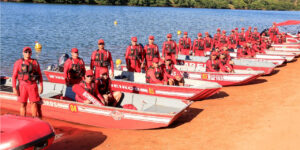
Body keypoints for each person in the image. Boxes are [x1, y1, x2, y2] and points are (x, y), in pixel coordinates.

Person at [12, 47, 43, 117]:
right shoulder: (18, 62)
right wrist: (14, 88)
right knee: (23, 104)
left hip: (33, 85)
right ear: (23, 53)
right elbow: (14, 76)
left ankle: (34, 120)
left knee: (34, 103)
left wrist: (41, 86)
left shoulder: (35, 62)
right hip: (22, 86)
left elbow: (40, 75)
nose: (27, 53)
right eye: (26, 52)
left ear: (31, 53)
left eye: (29, 52)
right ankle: (23, 120)